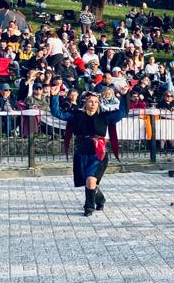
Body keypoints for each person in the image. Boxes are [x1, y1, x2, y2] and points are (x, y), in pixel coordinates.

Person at [49, 84, 129, 216]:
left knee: (91, 180)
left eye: (96, 102)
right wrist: (54, 96)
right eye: (91, 101)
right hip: (82, 153)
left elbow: (122, 112)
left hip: (98, 154)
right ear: (84, 102)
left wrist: (125, 95)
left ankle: (89, 207)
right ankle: (101, 199)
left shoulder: (104, 116)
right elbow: (57, 113)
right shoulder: (76, 115)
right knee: (89, 182)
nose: (93, 104)